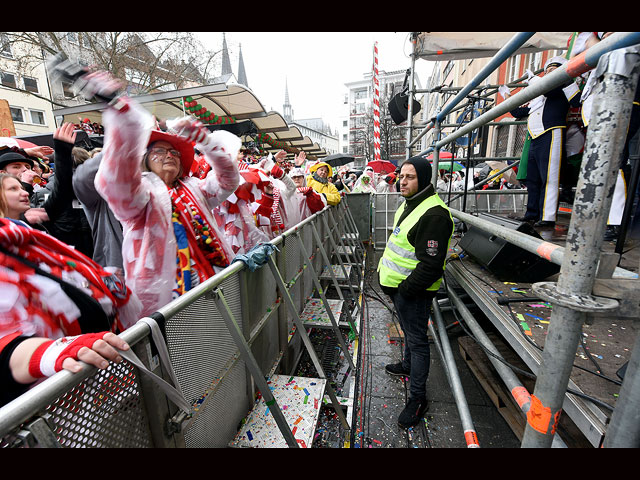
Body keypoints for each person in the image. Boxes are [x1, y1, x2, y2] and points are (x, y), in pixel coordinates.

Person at [78, 70, 240, 317]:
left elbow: (229, 180)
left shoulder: (195, 188)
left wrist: (206, 143)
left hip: (214, 282)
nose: (169, 156)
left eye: (174, 153)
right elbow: (115, 180)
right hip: (167, 303)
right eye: (159, 152)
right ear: (144, 160)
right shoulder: (140, 194)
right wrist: (123, 114)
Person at [377, 156, 454, 429]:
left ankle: (418, 398)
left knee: (418, 341)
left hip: (413, 292)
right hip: (402, 289)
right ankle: (408, 365)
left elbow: (431, 264)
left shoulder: (433, 214)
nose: (402, 181)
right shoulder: (411, 204)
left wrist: (407, 291)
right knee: (410, 334)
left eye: (410, 177)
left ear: (423, 180)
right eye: (401, 176)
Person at [509, 56, 582, 228]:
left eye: (552, 71)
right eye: (547, 71)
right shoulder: (539, 95)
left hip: (551, 132)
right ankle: (532, 214)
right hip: (534, 137)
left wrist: (535, 80)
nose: (548, 74)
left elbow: (557, 93)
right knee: (533, 179)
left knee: (549, 178)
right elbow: (518, 112)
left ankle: (548, 216)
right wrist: (509, 98)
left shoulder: (561, 85)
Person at [72, 152, 124, 272]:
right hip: (118, 274)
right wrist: (119, 148)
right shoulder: (99, 198)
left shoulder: (154, 190)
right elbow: (82, 178)